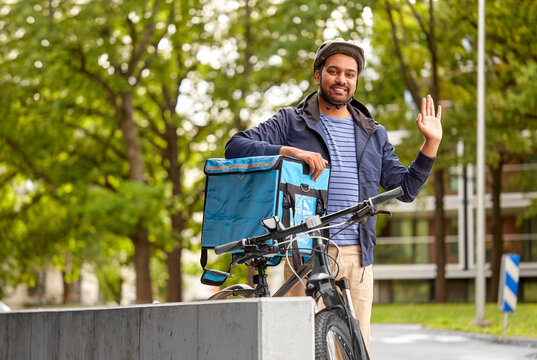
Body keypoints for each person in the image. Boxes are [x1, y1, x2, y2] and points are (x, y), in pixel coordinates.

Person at [224, 39, 443, 348]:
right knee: (302, 347)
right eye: (334, 71)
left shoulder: (373, 133)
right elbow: (235, 147)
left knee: (354, 348)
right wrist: (288, 152)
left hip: (358, 256)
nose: (342, 79)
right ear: (318, 75)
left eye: (350, 74)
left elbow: (405, 190)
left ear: (356, 80)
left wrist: (430, 145)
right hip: (306, 253)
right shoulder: (292, 122)